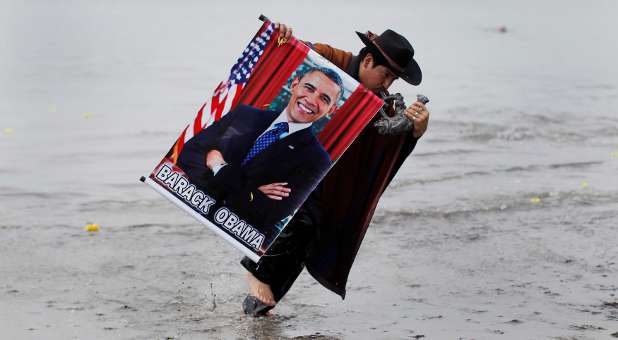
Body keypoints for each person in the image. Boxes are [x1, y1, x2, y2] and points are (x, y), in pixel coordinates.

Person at [241, 24, 431, 315]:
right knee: (302, 217)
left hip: (318, 176)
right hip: (271, 157)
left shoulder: (378, 101)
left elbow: (385, 151)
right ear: (367, 61)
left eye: (393, 80)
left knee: (316, 226)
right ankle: (257, 274)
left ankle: (259, 308)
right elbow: (292, 52)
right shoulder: (332, 60)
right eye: (386, 75)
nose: (387, 86)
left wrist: (415, 131)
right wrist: (282, 36)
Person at [177, 66, 343, 233]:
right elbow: (188, 154)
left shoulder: (318, 161)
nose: (312, 100)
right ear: (294, 85)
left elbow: (269, 213)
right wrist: (251, 190)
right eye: (309, 88)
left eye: (324, 99)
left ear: (332, 110)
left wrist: (218, 166)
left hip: (231, 234)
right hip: (184, 209)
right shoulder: (245, 113)